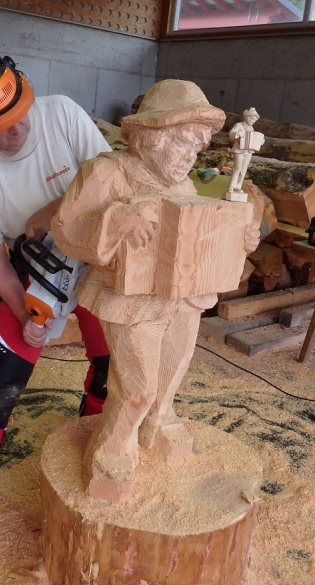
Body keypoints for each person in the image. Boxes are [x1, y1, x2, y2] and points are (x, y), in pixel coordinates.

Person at [51, 80, 262, 500]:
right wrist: (116, 220)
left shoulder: (185, 186)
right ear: (152, 135)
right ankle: (114, 445)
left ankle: (159, 421)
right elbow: (66, 229)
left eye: (197, 148)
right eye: (183, 143)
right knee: (137, 385)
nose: (190, 156)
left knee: (173, 370)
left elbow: (199, 237)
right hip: (132, 300)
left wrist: (240, 239)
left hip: (182, 297)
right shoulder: (107, 172)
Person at [0, 50, 111, 517]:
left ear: (25, 95)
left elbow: (110, 177)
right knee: (4, 373)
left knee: (111, 360)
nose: (14, 132)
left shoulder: (62, 115)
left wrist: (54, 211)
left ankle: (97, 431)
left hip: (95, 256)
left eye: (17, 118)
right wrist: (24, 312)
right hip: (38, 265)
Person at [227, 107, 261, 194]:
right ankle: (231, 186)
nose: (253, 121)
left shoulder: (251, 128)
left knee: (243, 169)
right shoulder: (239, 125)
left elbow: (252, 139)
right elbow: (231, 135)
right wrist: (238, 133)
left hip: (248, 151)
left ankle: (238, 186)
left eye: (255, 119)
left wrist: (260, 141)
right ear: (247, 117)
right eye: (252, 118)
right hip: (239, 150)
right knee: (237, 168)